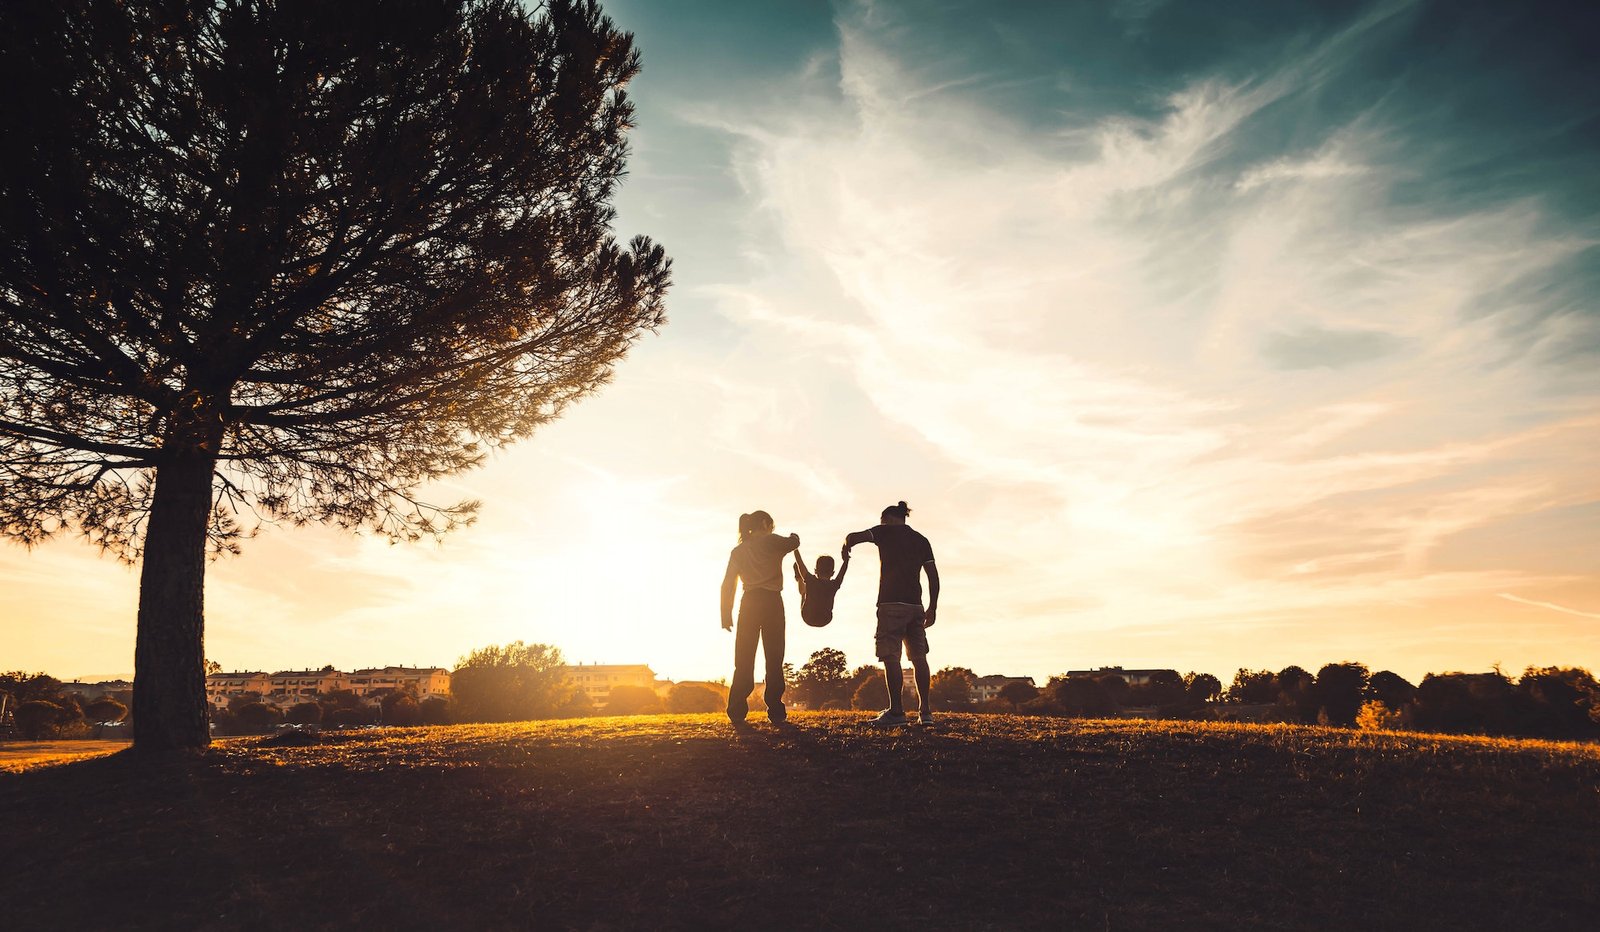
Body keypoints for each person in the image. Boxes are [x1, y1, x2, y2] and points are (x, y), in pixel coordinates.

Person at [842, 501, 940, 726]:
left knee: (891, 657)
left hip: (890, 605)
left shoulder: (883, 531)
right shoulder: (921, 540)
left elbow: (853, 537)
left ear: (886, 519)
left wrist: (845, 546)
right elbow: (933, 576)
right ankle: (925, 712)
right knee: (919, 658)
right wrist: (932, 606)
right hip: (916, 606)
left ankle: (896, 712)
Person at [720, 510, 800, 725]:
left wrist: (725, 613)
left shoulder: (738, 551)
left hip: (748, 604)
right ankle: (775, 709)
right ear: (765, 523)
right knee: (774, 658)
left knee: (743, 658)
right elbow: (793, 543)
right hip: (772, 602)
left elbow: (728, 583)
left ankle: (736, 710)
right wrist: (794, 536)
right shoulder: (772, 541)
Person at [793, 548, 849, 627]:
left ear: (815, 571)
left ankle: (799, 579)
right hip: (825, 619)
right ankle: (800, 578)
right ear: (832, 573)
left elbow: (800, 563)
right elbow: (842, 572)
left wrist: (795, 548)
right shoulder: (834, 585)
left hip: (808, 617)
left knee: (804, 593)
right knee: (806, 586)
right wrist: (846, 559)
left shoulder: (811, 581)